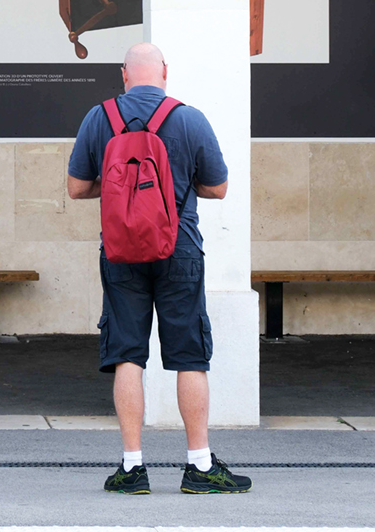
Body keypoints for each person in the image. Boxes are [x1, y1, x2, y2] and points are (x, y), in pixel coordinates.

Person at [67, 43, 252, 495]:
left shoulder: (100, 118)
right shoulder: (189, 118)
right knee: (189, 354)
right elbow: (220, 187)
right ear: (165, 72)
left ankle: (132, 469)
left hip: (120, 251)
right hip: (179, 249)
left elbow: (76, 188)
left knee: (128, 352)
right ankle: (200, 466)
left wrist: (118, 194)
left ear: (124, 74)